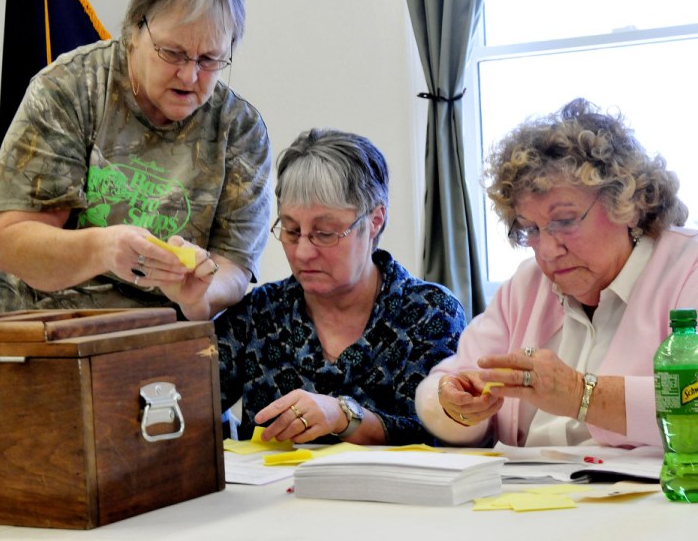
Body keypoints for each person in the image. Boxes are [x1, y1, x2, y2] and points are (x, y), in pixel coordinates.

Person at [0, 0, 272, 321]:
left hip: (159, 336)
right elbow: (13, 244)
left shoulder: (239, 128)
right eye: (173, 53)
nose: (190, 74)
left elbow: (233, 267)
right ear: (135, 28)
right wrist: (102, 250)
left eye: (210, 59)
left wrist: (200, 294)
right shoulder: (71, 89)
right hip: (42, 323)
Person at [416, 98, 698, 448]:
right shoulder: (527, 285)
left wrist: (581, 395)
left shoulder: (688, 268)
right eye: (530, 229)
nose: (547, 251)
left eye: (564, 221)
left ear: (627, 203)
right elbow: (444, 382)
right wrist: (456, 406)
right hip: (527, 493)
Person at [214, 128, 466, 445]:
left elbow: (444, 436)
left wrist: (344, 417)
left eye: (325, 233)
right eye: (291, 231)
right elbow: (189, 404)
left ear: (375, 220)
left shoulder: (428, 312)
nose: (303, 252)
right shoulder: (259, 314)